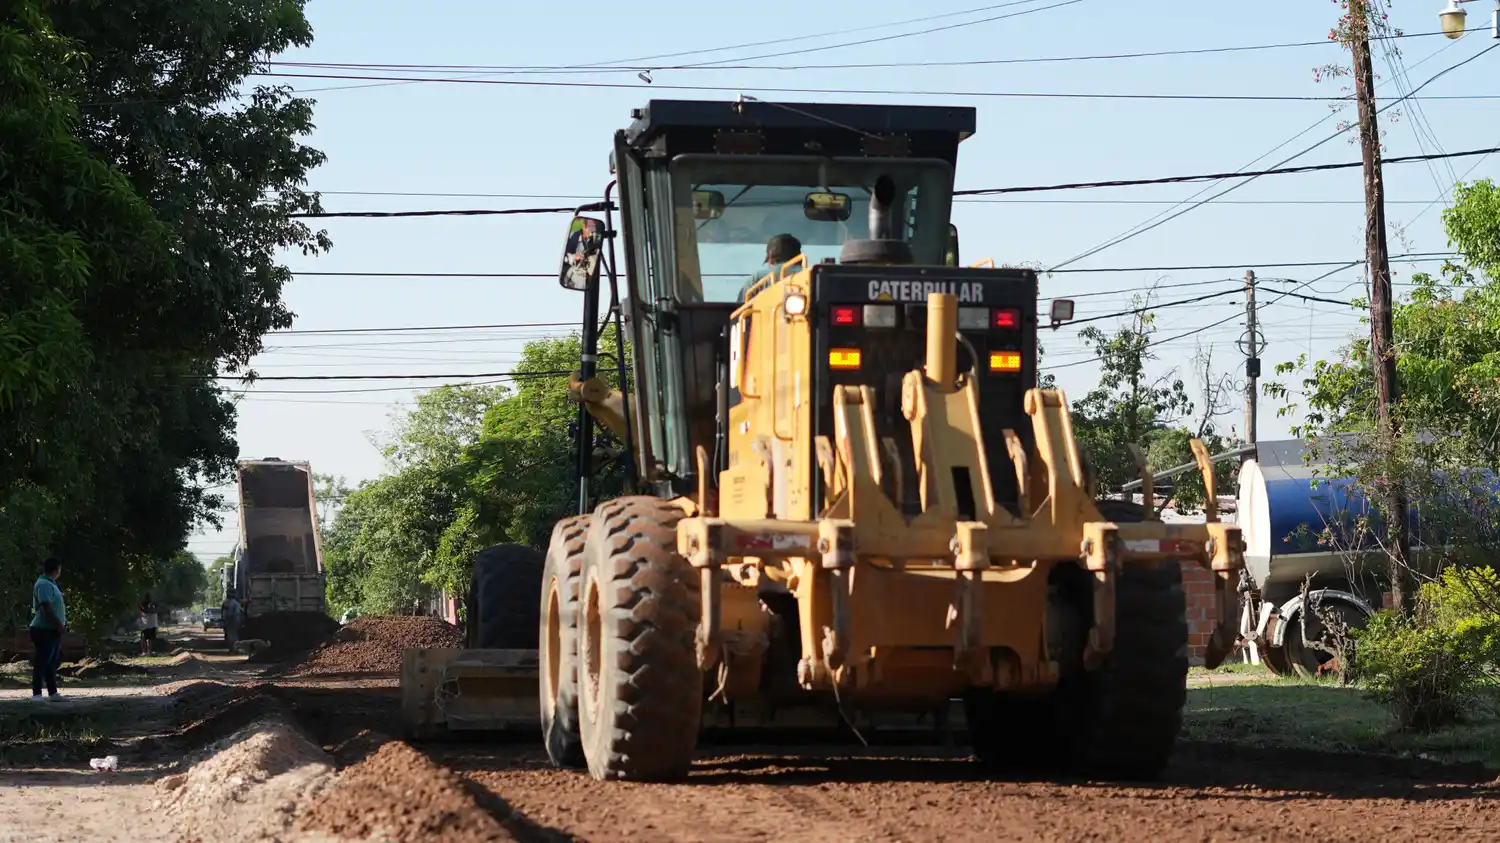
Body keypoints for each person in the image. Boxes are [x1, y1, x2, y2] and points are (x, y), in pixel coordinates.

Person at [30, 558, 66, 701]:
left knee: (52, 661)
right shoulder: (43, 584)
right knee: (42, 661)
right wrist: (58, 623)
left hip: (52, 629)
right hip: (43, 628)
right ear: (56, 569)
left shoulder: (52, 584)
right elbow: (46, 606)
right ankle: (37, 693)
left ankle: (52, 692)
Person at [737, 233, 802, 302]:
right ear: (800, 257)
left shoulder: (757, 279)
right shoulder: (810, 275)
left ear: (770, 255)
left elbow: (740, 308)